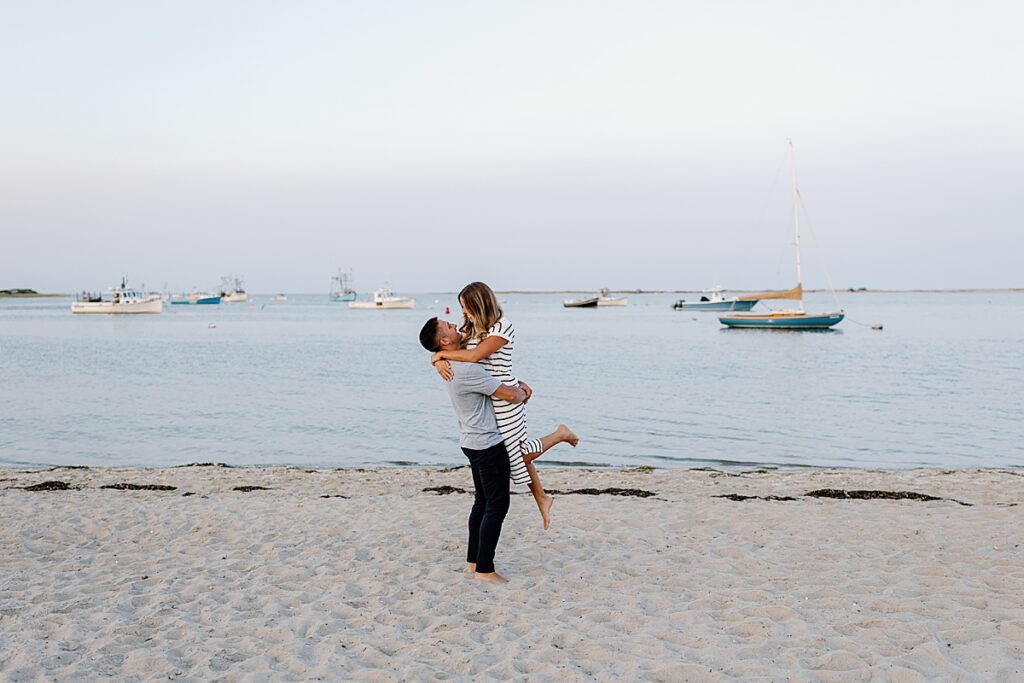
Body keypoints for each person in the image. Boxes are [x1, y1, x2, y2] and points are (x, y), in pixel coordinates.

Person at [428, 282, 579, 530]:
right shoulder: (470, 328)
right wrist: (436, 357)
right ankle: (541, 498)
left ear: (479, 304)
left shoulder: (502, 327)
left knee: (515, 455)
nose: (462, 313)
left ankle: (560, 434)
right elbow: (450, 346)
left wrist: (439, 357)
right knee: (513, 453)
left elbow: (475, 357)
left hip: (507, 399)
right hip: (490, 396)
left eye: (465, 307)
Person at [419, 317, 525, 583]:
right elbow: (510, 395)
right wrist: (523, 390)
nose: (456, 325)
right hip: (487, 443)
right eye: (449, 327)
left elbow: (471, 351)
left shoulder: (452, 364)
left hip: (470, 441)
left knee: (482, 501)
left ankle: (474, 561)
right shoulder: (467, 370)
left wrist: (437, 357)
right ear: (444, 341)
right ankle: (485, 570)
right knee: (497, 506)